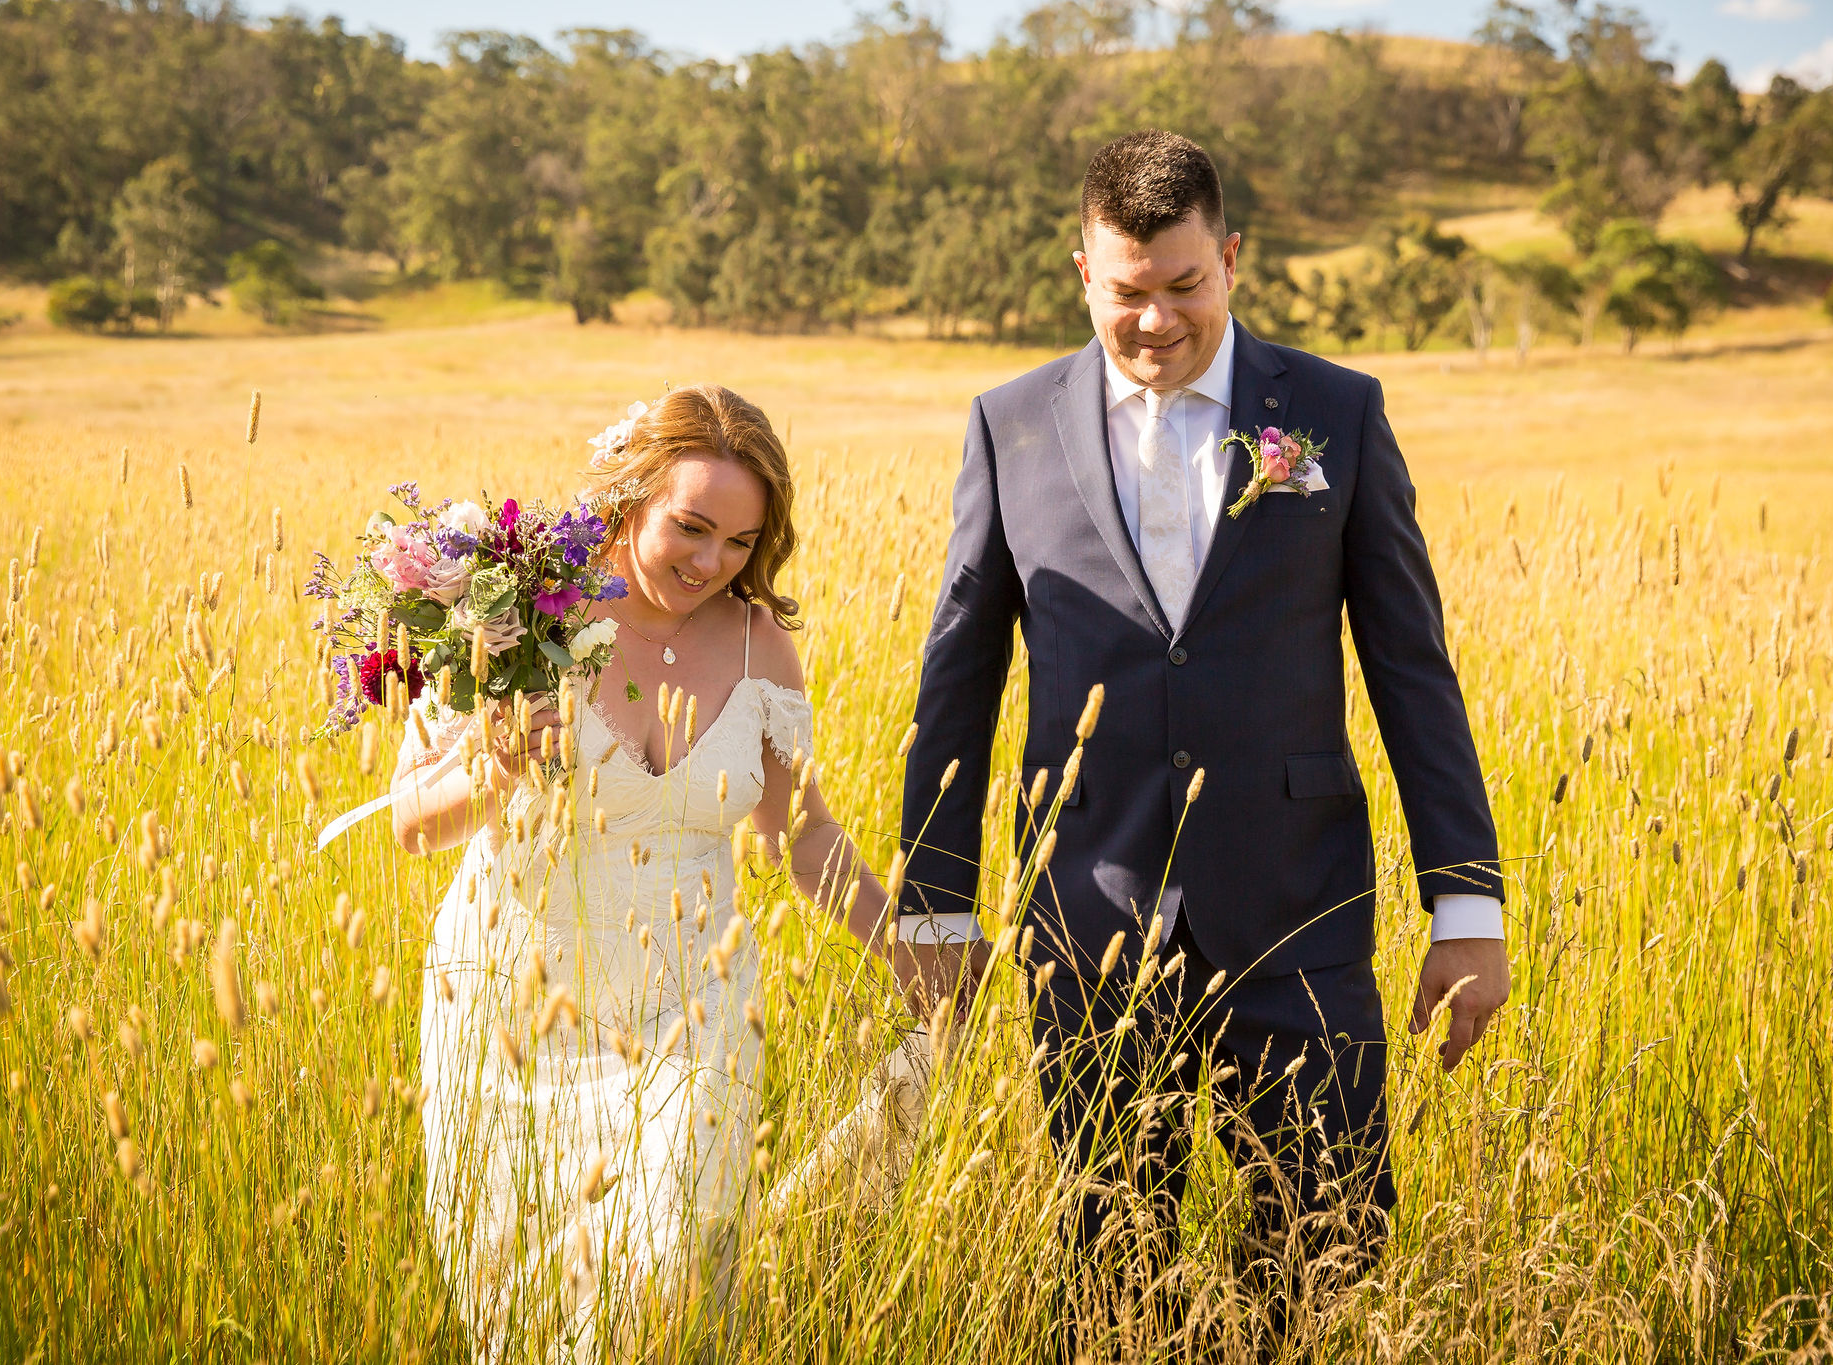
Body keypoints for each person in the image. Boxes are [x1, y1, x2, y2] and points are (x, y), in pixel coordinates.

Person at [896, 131, 1512, 1324]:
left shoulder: (1335, 410)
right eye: (1127, 293)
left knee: (1330, 1248)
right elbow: (956, 677)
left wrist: (1467, 907)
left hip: (1299, 915)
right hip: (1088, 929)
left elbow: (1411, 674)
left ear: (1229, 258)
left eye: (1185, 287)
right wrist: (933, 903)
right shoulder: (1007, 424)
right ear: (1081, 271)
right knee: (1105, 1276)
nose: (1156, 321)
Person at [390, 384, 913, 1359]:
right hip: (510, 1011)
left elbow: (800, 834)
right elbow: (415, 825)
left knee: (658, 1274)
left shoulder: (760, 647)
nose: (710, 562)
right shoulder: (521, 620)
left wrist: (905, 949)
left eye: (739, 543)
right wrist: (498, 762)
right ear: (631, 498)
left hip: (692, 1007)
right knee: (524, 1313)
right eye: (691, 526)